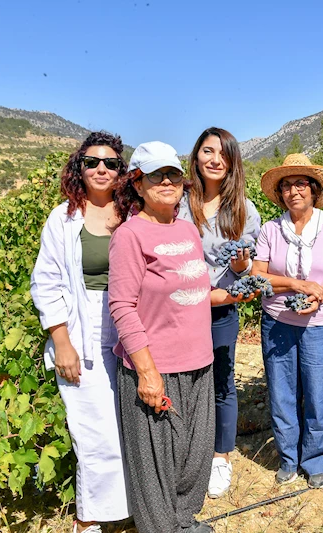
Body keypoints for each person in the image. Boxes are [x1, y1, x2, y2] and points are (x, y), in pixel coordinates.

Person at [108, 141, 237, 533]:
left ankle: (183, 523)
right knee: (156, 467)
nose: (166, 181)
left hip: (199, 361)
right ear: (137, 183)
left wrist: (240, 291)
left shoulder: (186, 229)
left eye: (173, 174)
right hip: (156, 366)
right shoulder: (130, 236)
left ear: (183, 182)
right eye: (155, 175)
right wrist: (146, 371)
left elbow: (195, 293)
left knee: (194, 457)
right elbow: (122, 307)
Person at [30, 132, 131, 533]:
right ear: (80, 167)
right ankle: (88, 519)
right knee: (94, 431)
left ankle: (130, 509)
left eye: (110, 162)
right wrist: (62, 341)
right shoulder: (64, 218)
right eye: (92, 162)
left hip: (128, 328)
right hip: (82, 329)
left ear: (122, 171)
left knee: (130, 423)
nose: (101, 168)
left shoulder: (132, 212)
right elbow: (46, 281)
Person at [177, 127, 261, 498]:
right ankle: (185, 453)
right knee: (182, 381)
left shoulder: (244, 209)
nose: (214, 160)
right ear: (196, 156)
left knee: (222, 383)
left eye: (222, 154)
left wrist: (242, 266)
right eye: (207, 152)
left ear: (232, 164)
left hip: (220, 310)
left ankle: (220, 457)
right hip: (177, 309)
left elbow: (246, 271)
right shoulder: (177, 201)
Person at [253, 153, 323, 490]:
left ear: (314, 189)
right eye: (286, 186)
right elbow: (258, 277)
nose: (294, 191)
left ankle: (316, 460)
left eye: (300, 184)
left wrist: (322, 294)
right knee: (282, 392)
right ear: (280, 194)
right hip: (277, 322)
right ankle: (289, 458)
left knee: (320, 394)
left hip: (320, 324)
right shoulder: (270, 230)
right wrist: (294, 284)